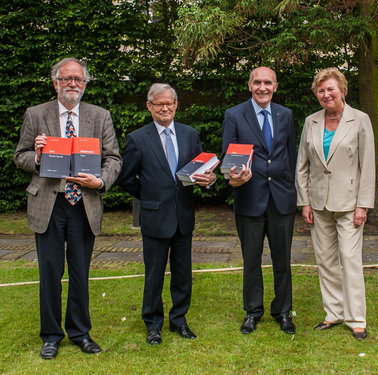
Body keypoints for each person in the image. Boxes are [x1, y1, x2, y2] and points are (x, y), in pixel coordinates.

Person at [13, 57, 122, 359]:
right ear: (55, 83)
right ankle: (50, 336)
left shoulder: (100, 116)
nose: (72, 84)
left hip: (83, 203)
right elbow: (19, 156)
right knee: (49, 272)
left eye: (78, 79)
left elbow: (113, 159)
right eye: (66, 79)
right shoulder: (36, 114)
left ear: (85, 84)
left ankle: (80, 333)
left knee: (80, 273)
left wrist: (99, 181)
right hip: (49, 202)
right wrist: (35, 156)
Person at [117, 83, 215, 345]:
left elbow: (201, 169)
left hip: (183, 216)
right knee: (154, 274)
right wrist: (149, 197)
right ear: (149, 106)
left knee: (183, 273)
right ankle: (153, 324)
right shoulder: (138, 138)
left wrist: (209, 179)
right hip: (154, 217)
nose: (165, 108)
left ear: (176, 105)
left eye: (169, 103)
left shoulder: (189, 134)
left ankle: (179, 320)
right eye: (159, 104)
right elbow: (127, 179)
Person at [296, 68, 375, 340]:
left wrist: (363, 204)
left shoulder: (360, 120)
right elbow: (302, 166)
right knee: (326, 261)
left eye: (330, 89)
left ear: (342, 89)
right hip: (318, 204)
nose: (325, 94)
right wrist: (304, 201)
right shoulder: (311, 122)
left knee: (350, 260)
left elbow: (368, 165)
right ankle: (333, 313)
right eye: (320, 90)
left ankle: (356, 318)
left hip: (350, 204)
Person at [222, 67, 297, 335]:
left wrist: (292, 190)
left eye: (267, 83)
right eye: (257, 82)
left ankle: (283, 311)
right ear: (249, 85)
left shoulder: (285, 115)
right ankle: (253, 311)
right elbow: (228, 156)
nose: (262, 87)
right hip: (249, 198)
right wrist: (233, 176)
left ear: (275, 86)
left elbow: (291, 155)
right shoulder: (234, 115)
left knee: (282, 260)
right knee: (251, 260)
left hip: (281, 200)